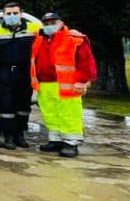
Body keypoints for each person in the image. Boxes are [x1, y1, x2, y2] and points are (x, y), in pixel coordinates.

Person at [30, 12, 96, 158]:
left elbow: (86, 61)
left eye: (53, 23)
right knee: (50, 114)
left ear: (61, 23)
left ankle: (71, 143)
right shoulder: (39, 39)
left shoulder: (74, 38)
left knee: (69, 114)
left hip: (67, 84)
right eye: (46, 24)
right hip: (44, 84)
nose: (49, 26)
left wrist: (82, 80)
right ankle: (55, 140)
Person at [0, 2, 41, 149]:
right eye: (8, 14)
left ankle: (20, 134)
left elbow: (47, 43)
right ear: (3, 15)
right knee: (6, 105)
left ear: (21, 14)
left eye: (15, 13)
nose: (12, 16)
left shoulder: (34, 29)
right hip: (4, 72)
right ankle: (8, 136)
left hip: (25, 72)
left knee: (23, 106)